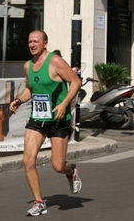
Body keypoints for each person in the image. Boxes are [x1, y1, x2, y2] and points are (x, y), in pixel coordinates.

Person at [9, 30, 82, 217]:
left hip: (58, 120)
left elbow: (75, 82)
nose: (32, 44)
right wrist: (18, 100)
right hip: (38, 119)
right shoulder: (28, 66)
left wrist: (64, 104)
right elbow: (29, 89)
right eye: (30, 42)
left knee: (57, 166)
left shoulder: (55, 61)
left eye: (36, 41)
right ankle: (39, 202)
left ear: (45, 43)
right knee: (27, 160)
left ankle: (71, 170)